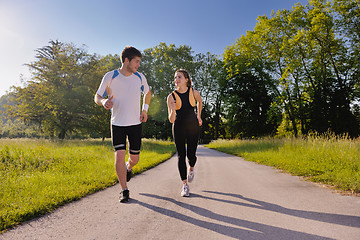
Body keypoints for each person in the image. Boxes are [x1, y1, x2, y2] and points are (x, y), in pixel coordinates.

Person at [94, 46, 151, 203]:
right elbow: (97, 96)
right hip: (117, 124)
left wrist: (144, 110)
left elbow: (148, 92)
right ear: (127, 60)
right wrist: (104, 101)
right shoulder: (110, 76)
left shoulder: (139, 77)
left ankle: (129, 167)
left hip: (135, 124)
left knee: (135, 158)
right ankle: (124, 190)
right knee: (119, 154)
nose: (138, 65)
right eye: (136, 61)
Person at [167, 69, 202, 197]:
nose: (176, 79)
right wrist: (173, 109)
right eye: (175, 77)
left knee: (191, 155)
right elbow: (171, 119)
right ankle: (185, 185)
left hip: (193, 126)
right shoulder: (171, 96)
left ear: (186, 79)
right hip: (178, 126)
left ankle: (191, 168)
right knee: (181, 155)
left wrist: (199, 116)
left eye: (179, 77)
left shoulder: (194, 92)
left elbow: (200, 102)